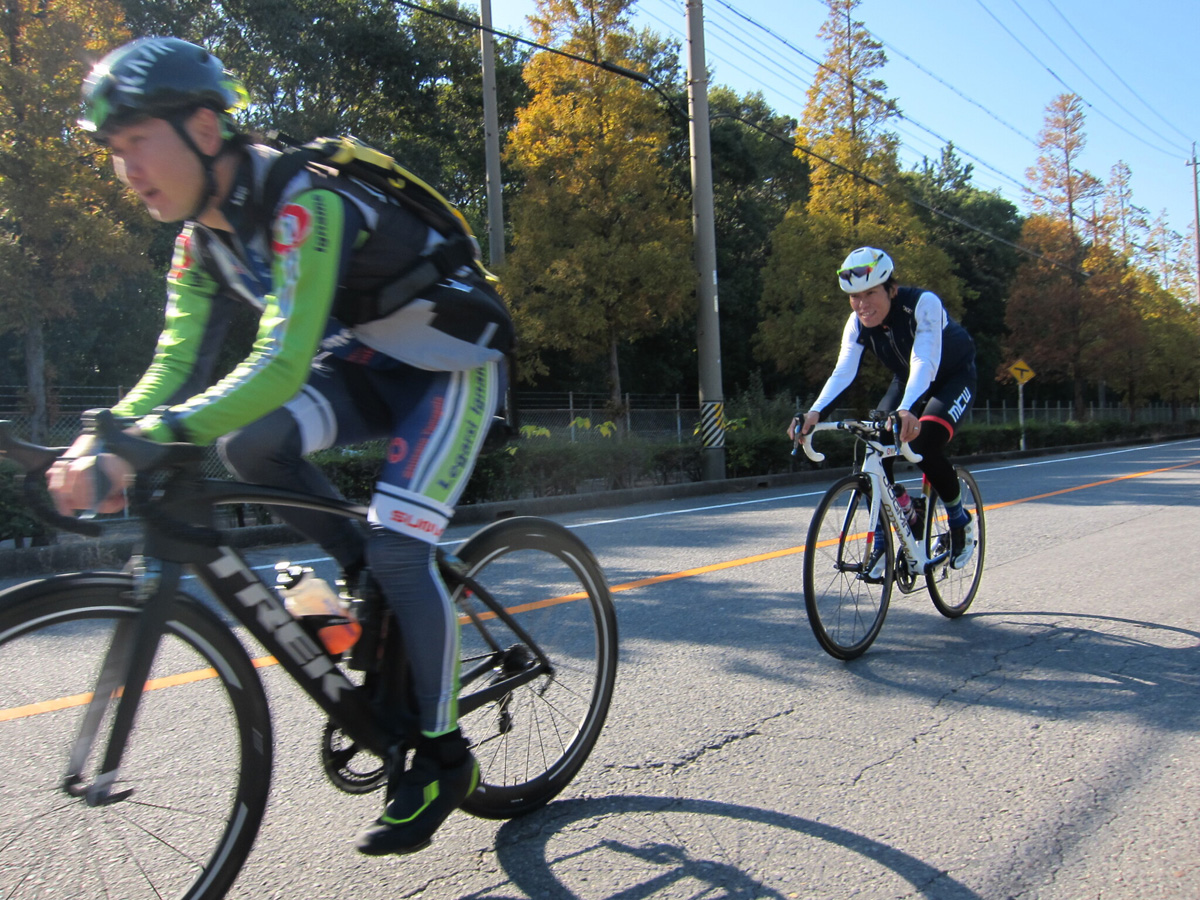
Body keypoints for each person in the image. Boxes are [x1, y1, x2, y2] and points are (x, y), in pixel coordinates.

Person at [47, 37, 513, 856]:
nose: (128, 169)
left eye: (138, 142)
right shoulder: (198, 240)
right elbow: (175, 363)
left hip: (449, 362)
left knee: (404, 553)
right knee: (250, 446)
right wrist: (106, 435)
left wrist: (146, 442)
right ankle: (360, 559)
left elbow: (280, 361)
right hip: (371, 359)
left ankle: (442, 757)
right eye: (115, 152)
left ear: (201, 125)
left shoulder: (305, 204)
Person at [788, 246, 977, 572]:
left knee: (923, 443)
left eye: (870, 293)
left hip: (951, 377)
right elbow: (844, 371)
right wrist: (814, 413)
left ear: (891, 288)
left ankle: (960, 521)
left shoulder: (923, 303)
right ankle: (901, 520)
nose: (862, 305)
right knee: (877, 441)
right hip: (908, 380)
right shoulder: (857, 322)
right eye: (854, 297)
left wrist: (906, 409)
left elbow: (924, 362)